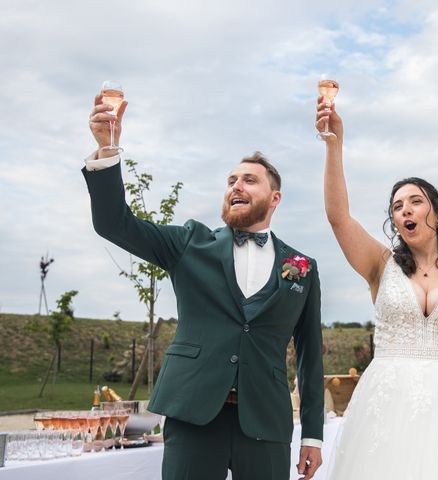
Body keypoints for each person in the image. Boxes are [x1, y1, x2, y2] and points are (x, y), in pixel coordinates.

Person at [83, 93, 324, 480]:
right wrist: (108, 150)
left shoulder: (303, 267)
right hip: (193, 413)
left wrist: (313, 434)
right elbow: (114, 223)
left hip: (265, 422)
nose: (236, 186)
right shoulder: (189, 243)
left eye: (249, 180)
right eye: (231, 181)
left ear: (275, 198)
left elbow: (311, 356)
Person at [315, 97, 438, 478]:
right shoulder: (380, 265)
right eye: (396, 206)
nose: (404, 209)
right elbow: (338, 218)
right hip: (388, 407)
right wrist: (334, 144)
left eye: (415, 201)